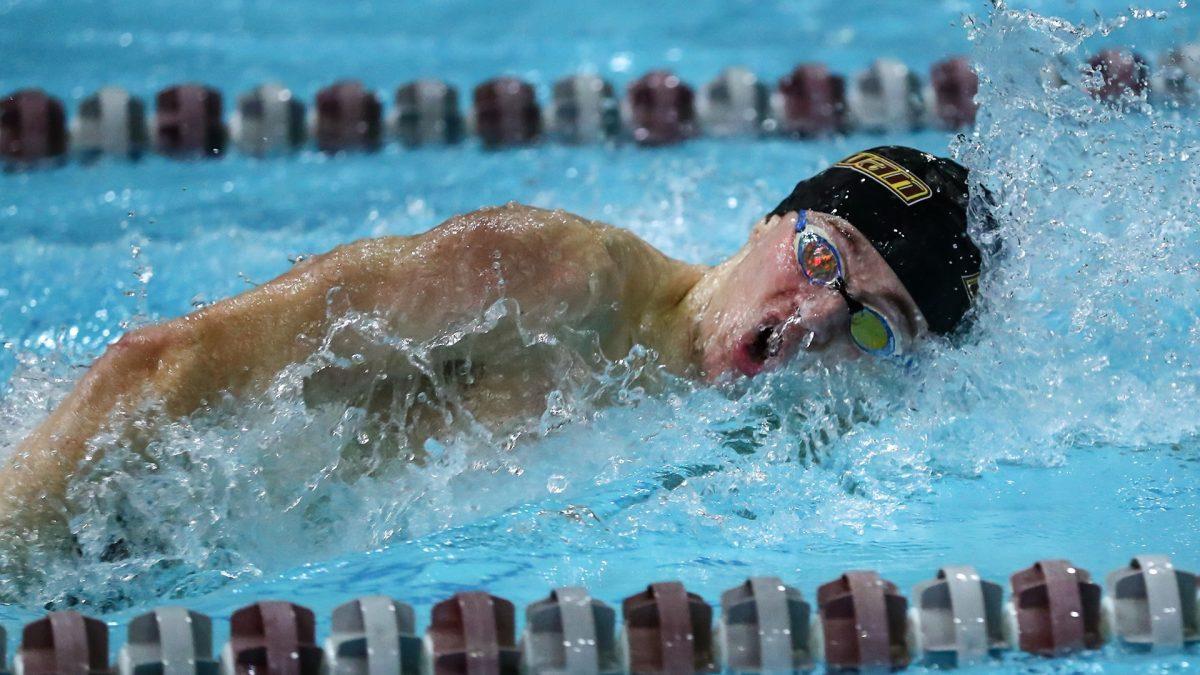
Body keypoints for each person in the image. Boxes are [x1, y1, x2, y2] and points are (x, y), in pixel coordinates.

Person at [0, 145, 986, 552]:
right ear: (776, 216)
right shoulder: (552, 279)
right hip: (106, 518)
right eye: (822, 255)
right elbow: (156, 370)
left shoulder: (777, 443)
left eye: (871, 324)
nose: (814, 320)